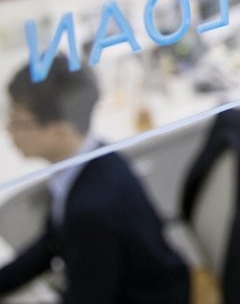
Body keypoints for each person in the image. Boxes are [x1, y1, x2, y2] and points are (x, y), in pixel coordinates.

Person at [0, 56, 190, 302]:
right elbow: (51, 243)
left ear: (60, 130)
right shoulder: (88, 163)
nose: (9, 130)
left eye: (17, 122)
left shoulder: (90, 207)